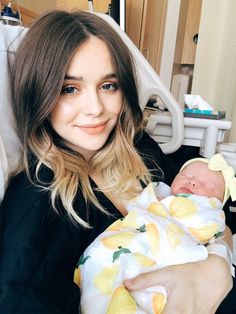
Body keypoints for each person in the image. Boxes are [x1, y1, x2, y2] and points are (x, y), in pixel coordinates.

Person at [0, 10, 233, 314]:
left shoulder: (137, 148)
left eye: (108, 85)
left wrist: (217, 263)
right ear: (38, 92)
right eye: (70, 88)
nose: (95, 108)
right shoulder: (42, 199)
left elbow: (214, 197)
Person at [76, 153, 236, 314]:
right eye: (186, 175)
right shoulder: (158, 194)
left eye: (207, 185)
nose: (192, 181)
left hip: (176, 271)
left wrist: (219, 256)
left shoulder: (148, 152)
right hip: (122, 258)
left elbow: (223, 223)